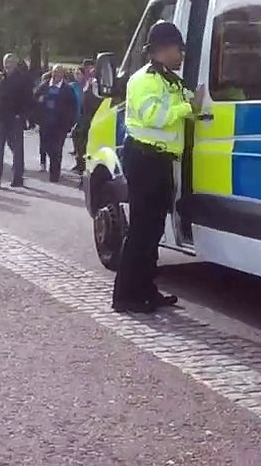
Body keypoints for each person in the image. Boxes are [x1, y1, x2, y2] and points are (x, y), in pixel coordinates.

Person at [112, 20, 204, 314]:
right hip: (145, 159)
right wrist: (190, 108)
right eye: (179, 49)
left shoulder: (167, 79)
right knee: (140, 230)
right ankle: (125, 296)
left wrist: (193, 102)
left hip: (159, 161)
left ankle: (146, 289)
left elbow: (179, 105)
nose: (182, 55)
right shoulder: (145, 80)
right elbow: (154, 115)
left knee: (152, 231)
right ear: (163, 49)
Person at [0, 52, 33, 189]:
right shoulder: (0, 78)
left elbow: (29, 100)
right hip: (1, 118)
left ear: (16, 63)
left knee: (17, 150)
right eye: (6, 62)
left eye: (11, 62)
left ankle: (18, 178)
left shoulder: (23, 79)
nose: (8, 65)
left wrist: (22, 115)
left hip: (15, 119)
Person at [34, 64, 79, 183]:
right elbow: (34, 101)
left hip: (60, 126)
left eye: (59, 73)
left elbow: (73, 108)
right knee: (46, 147)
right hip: (45, 123)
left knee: (57, 150)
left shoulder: (67, 90)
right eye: (54, 72)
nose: (56, 75)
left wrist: (69, 124)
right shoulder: (44, 86)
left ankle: (54, 175)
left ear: (62, 75)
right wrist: (35, 118)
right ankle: (52, 163)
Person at [72, 59, 101, 173]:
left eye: (90, 68)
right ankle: (80, 163)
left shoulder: (96, 82)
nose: (89, 70)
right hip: (85, 116)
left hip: (93, 116)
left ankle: (84, 166)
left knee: (85, 140)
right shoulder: (87, 82)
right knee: (77, 136)